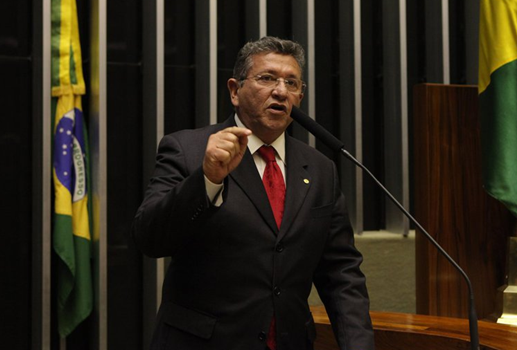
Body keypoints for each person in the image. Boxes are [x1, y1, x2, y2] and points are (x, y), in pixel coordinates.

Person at [133, 36, 374, 350]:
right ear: (235, 90)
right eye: (267, 78)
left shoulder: (320, 169)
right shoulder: (189, 150)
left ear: (300, 95)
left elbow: (341, 273)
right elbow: (150, 238)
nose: (280, 91)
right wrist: (207, 179)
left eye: (292, 83)